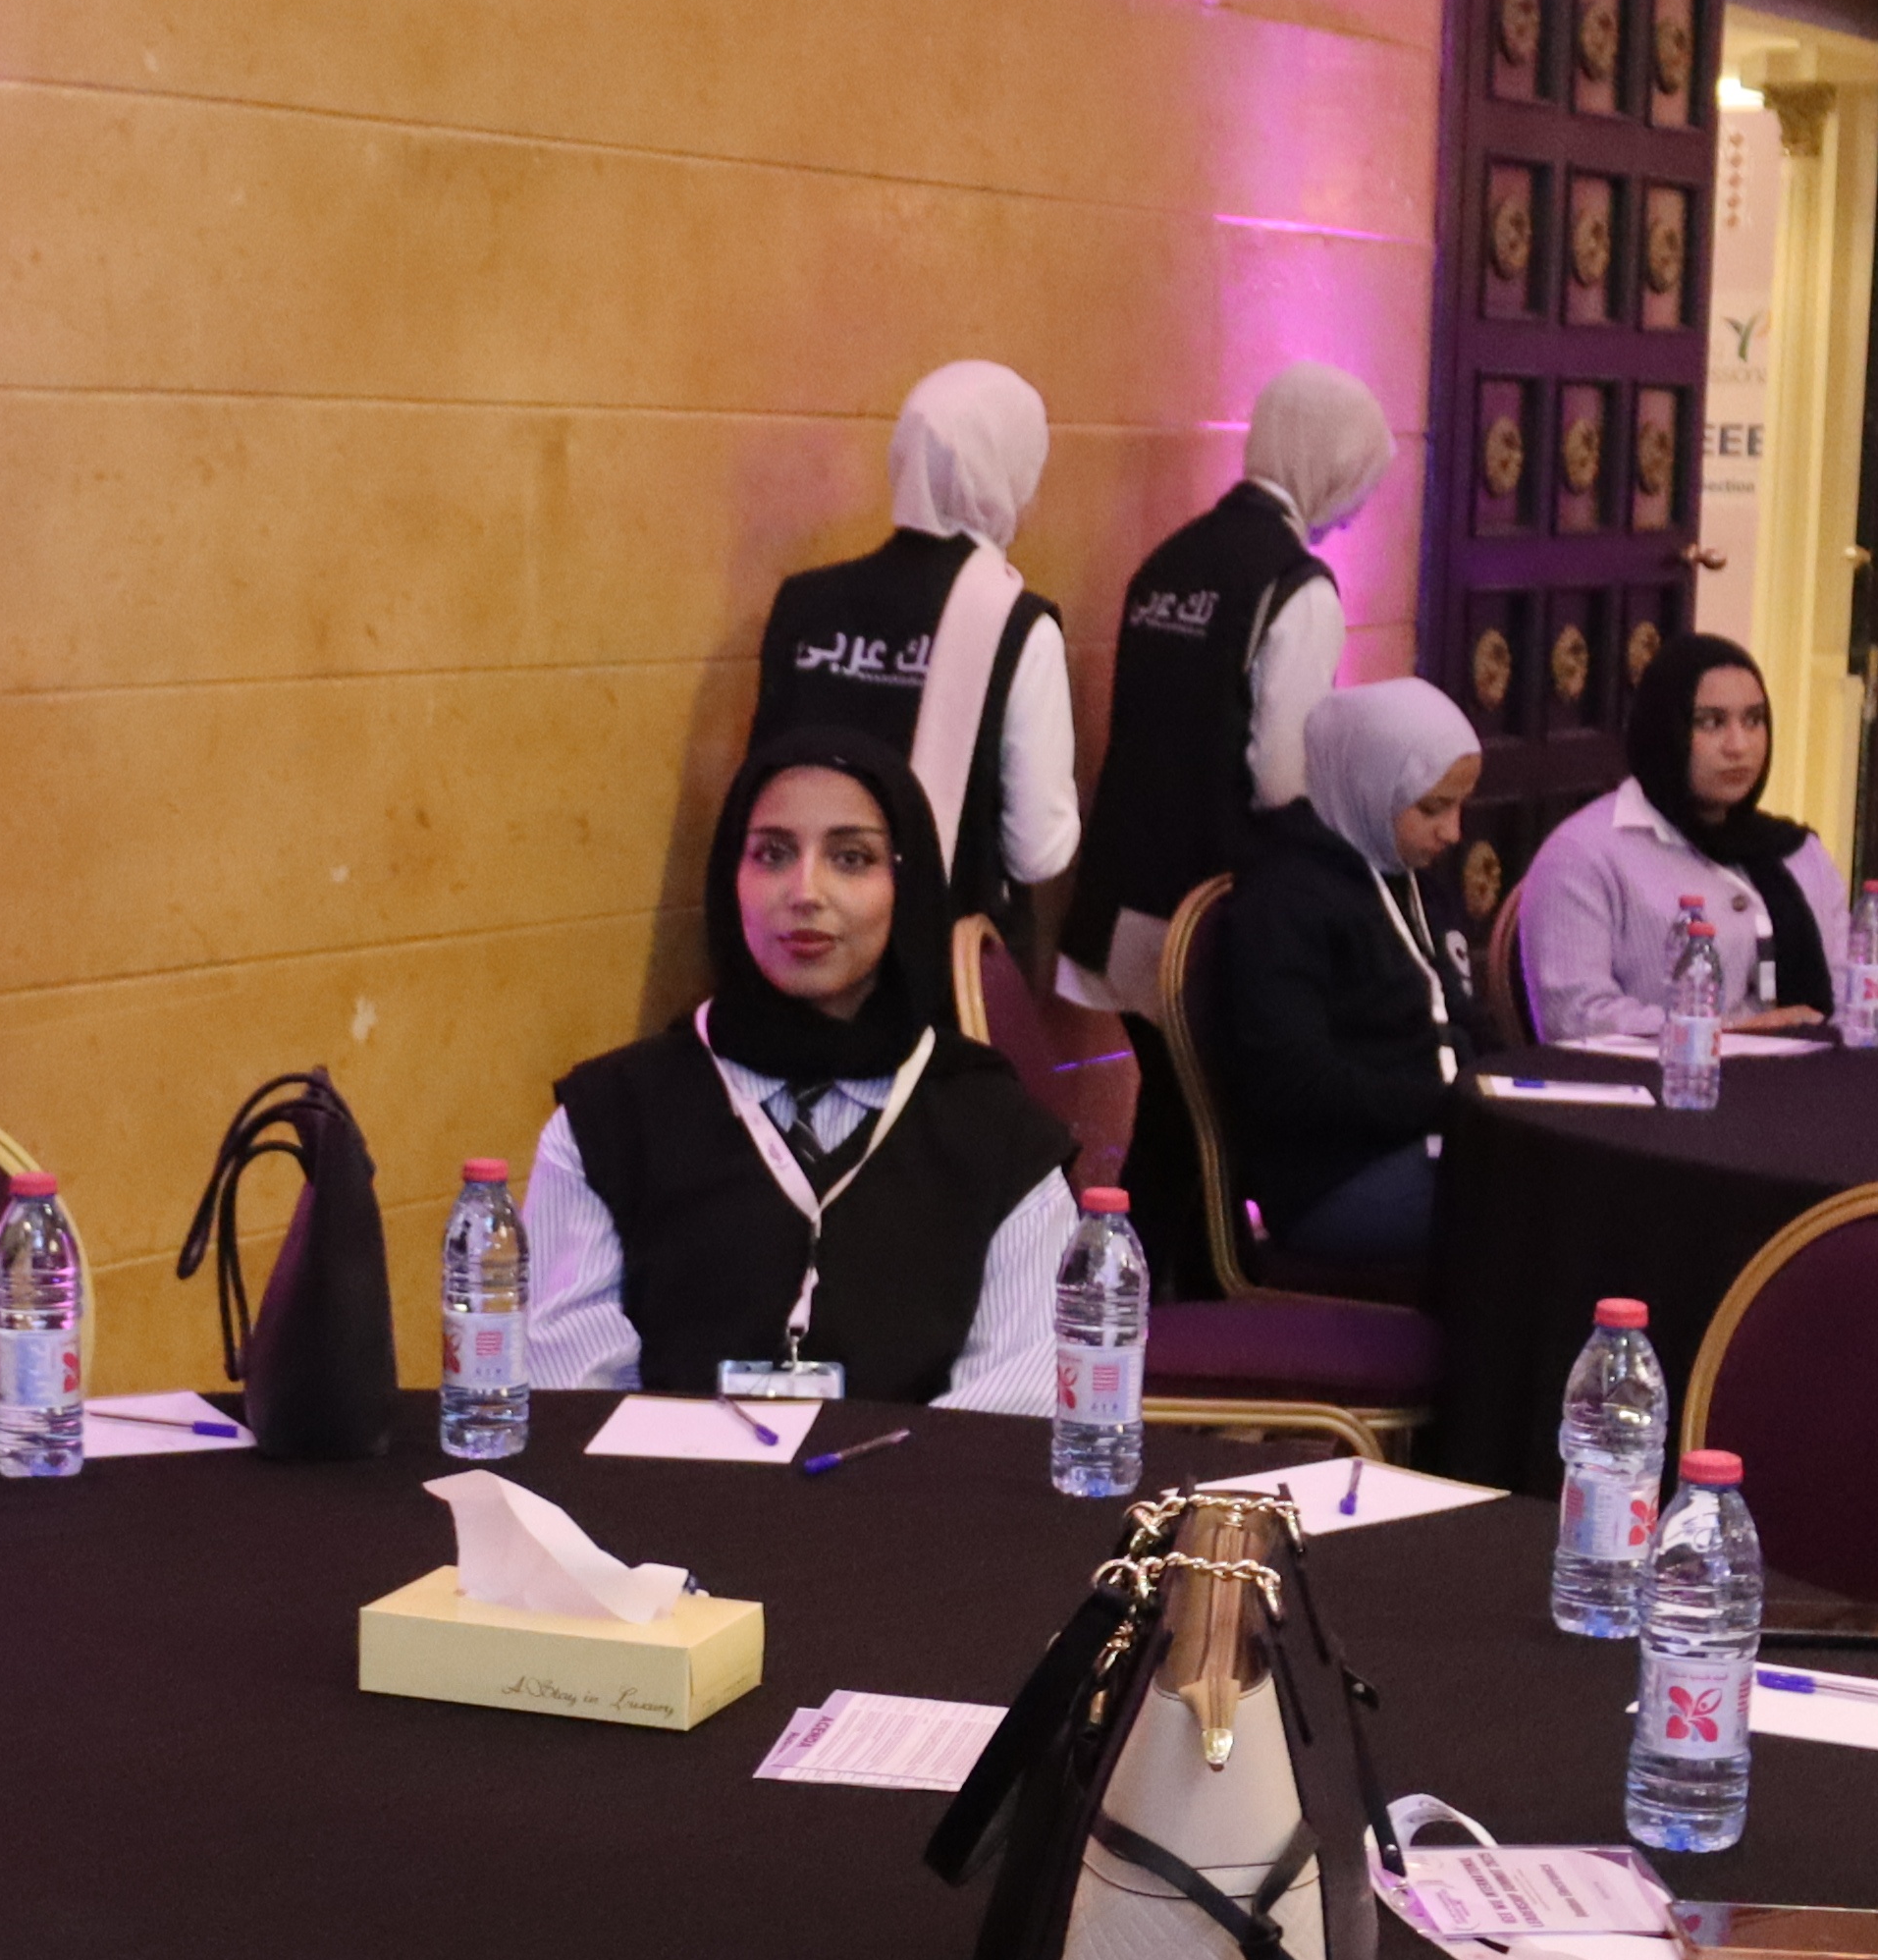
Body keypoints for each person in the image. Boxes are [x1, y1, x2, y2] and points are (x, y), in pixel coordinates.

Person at [524, 730, 1074, 1409]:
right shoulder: (609, 1121)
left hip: (915, 1478)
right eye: (772, 854)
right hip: (655, 1478)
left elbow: (1021, 1396)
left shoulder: (997, 1134)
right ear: (730, 877)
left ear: (907, 886)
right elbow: (566, 1393)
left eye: (851, 858)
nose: (805, 891)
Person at [1056, 361, 1399, 1019]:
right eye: (1358, 486)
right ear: (1330, 467)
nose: (1352, 517)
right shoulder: (1297, 587)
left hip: (1121, 893)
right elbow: (1282, 780)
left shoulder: (1168, 558)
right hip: (1212, 911)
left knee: (1160, 1079)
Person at [753, 361, 1080, 943]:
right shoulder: (1018, 624)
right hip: (944, 957)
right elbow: (1039, 851)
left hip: (798, 938)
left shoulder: (804, 602)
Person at [1200, 681, 1491, 1279]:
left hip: (1434, 1139)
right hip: (1335, 1179)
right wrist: (1448, 1106)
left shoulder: (1415, 881)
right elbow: (1296, 1083)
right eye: (1433, 808)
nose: (1454, 832)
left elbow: (1464, 1019)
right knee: (1536, 1206)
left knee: (1571, 1172)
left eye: (1460, 806)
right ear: (1369, 785)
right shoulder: (1283, 902)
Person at [1507, 633, 1850, 1045]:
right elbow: (1576, 1018)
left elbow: (1849, 1001)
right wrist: (1727, 1036)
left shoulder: (1797, 852)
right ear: (1666, 728)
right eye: (1711, 722)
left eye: (1753, 720)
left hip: (1810, 1080)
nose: (1739, 746)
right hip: (1660, 1083)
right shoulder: (1583, 855)